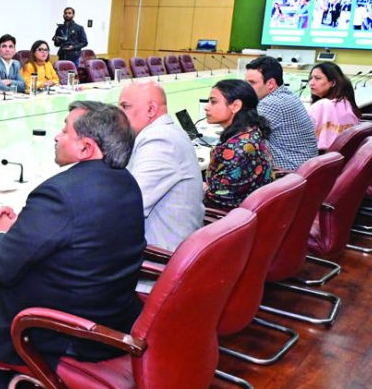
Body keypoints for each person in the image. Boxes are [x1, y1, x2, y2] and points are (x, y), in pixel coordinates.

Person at [0, 101, 144, 389]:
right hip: (112, 312)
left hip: (65, 330)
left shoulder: (60, 193)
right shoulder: (126, 182)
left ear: (86, 147)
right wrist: (27, 229)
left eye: (65, 130)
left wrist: (2, 233)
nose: (57, 136)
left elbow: (1, 266)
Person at [119, 81, 204, 251]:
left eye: (125, 107)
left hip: (160, 254)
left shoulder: (160, 140)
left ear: (151, 109)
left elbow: (128, 207)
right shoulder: (167, 132)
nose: (118, 114)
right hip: (171, 246)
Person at [203, 79, 275, 209]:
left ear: (235, 106)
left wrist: (200, 189)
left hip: (226, 216)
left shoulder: (236, 150)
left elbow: (215, 200)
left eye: (213, 102)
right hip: (249, 210)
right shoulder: (254, 131)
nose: (206, 107)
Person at [244, 55, 317, 170]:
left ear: (270, 84)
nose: (246, 88)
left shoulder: (271, 103)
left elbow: (244, 137)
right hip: (302, 168)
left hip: (287, 172)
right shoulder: (287, 95)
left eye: (252, 83)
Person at [307, 62, 360, 150]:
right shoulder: (345, 102)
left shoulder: (323, 105)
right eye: (310, 78)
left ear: (332, 83)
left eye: (317, 78)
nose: (311, 83)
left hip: (320, 156)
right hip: (341, 156)